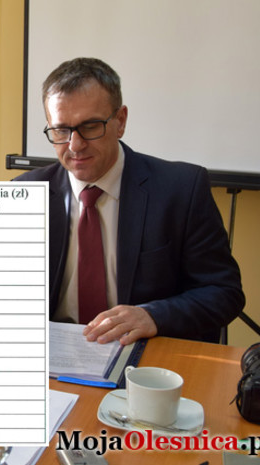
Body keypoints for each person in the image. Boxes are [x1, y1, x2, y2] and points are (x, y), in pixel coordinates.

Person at [16, 57, 244, 345]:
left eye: (91, 126)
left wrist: (153, 316)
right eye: (61, 130)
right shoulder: (25, 194)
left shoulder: (181, 190)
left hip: (145, 353)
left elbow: (223, 291)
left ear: (120, 121)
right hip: (53, 355)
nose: (75, 145)